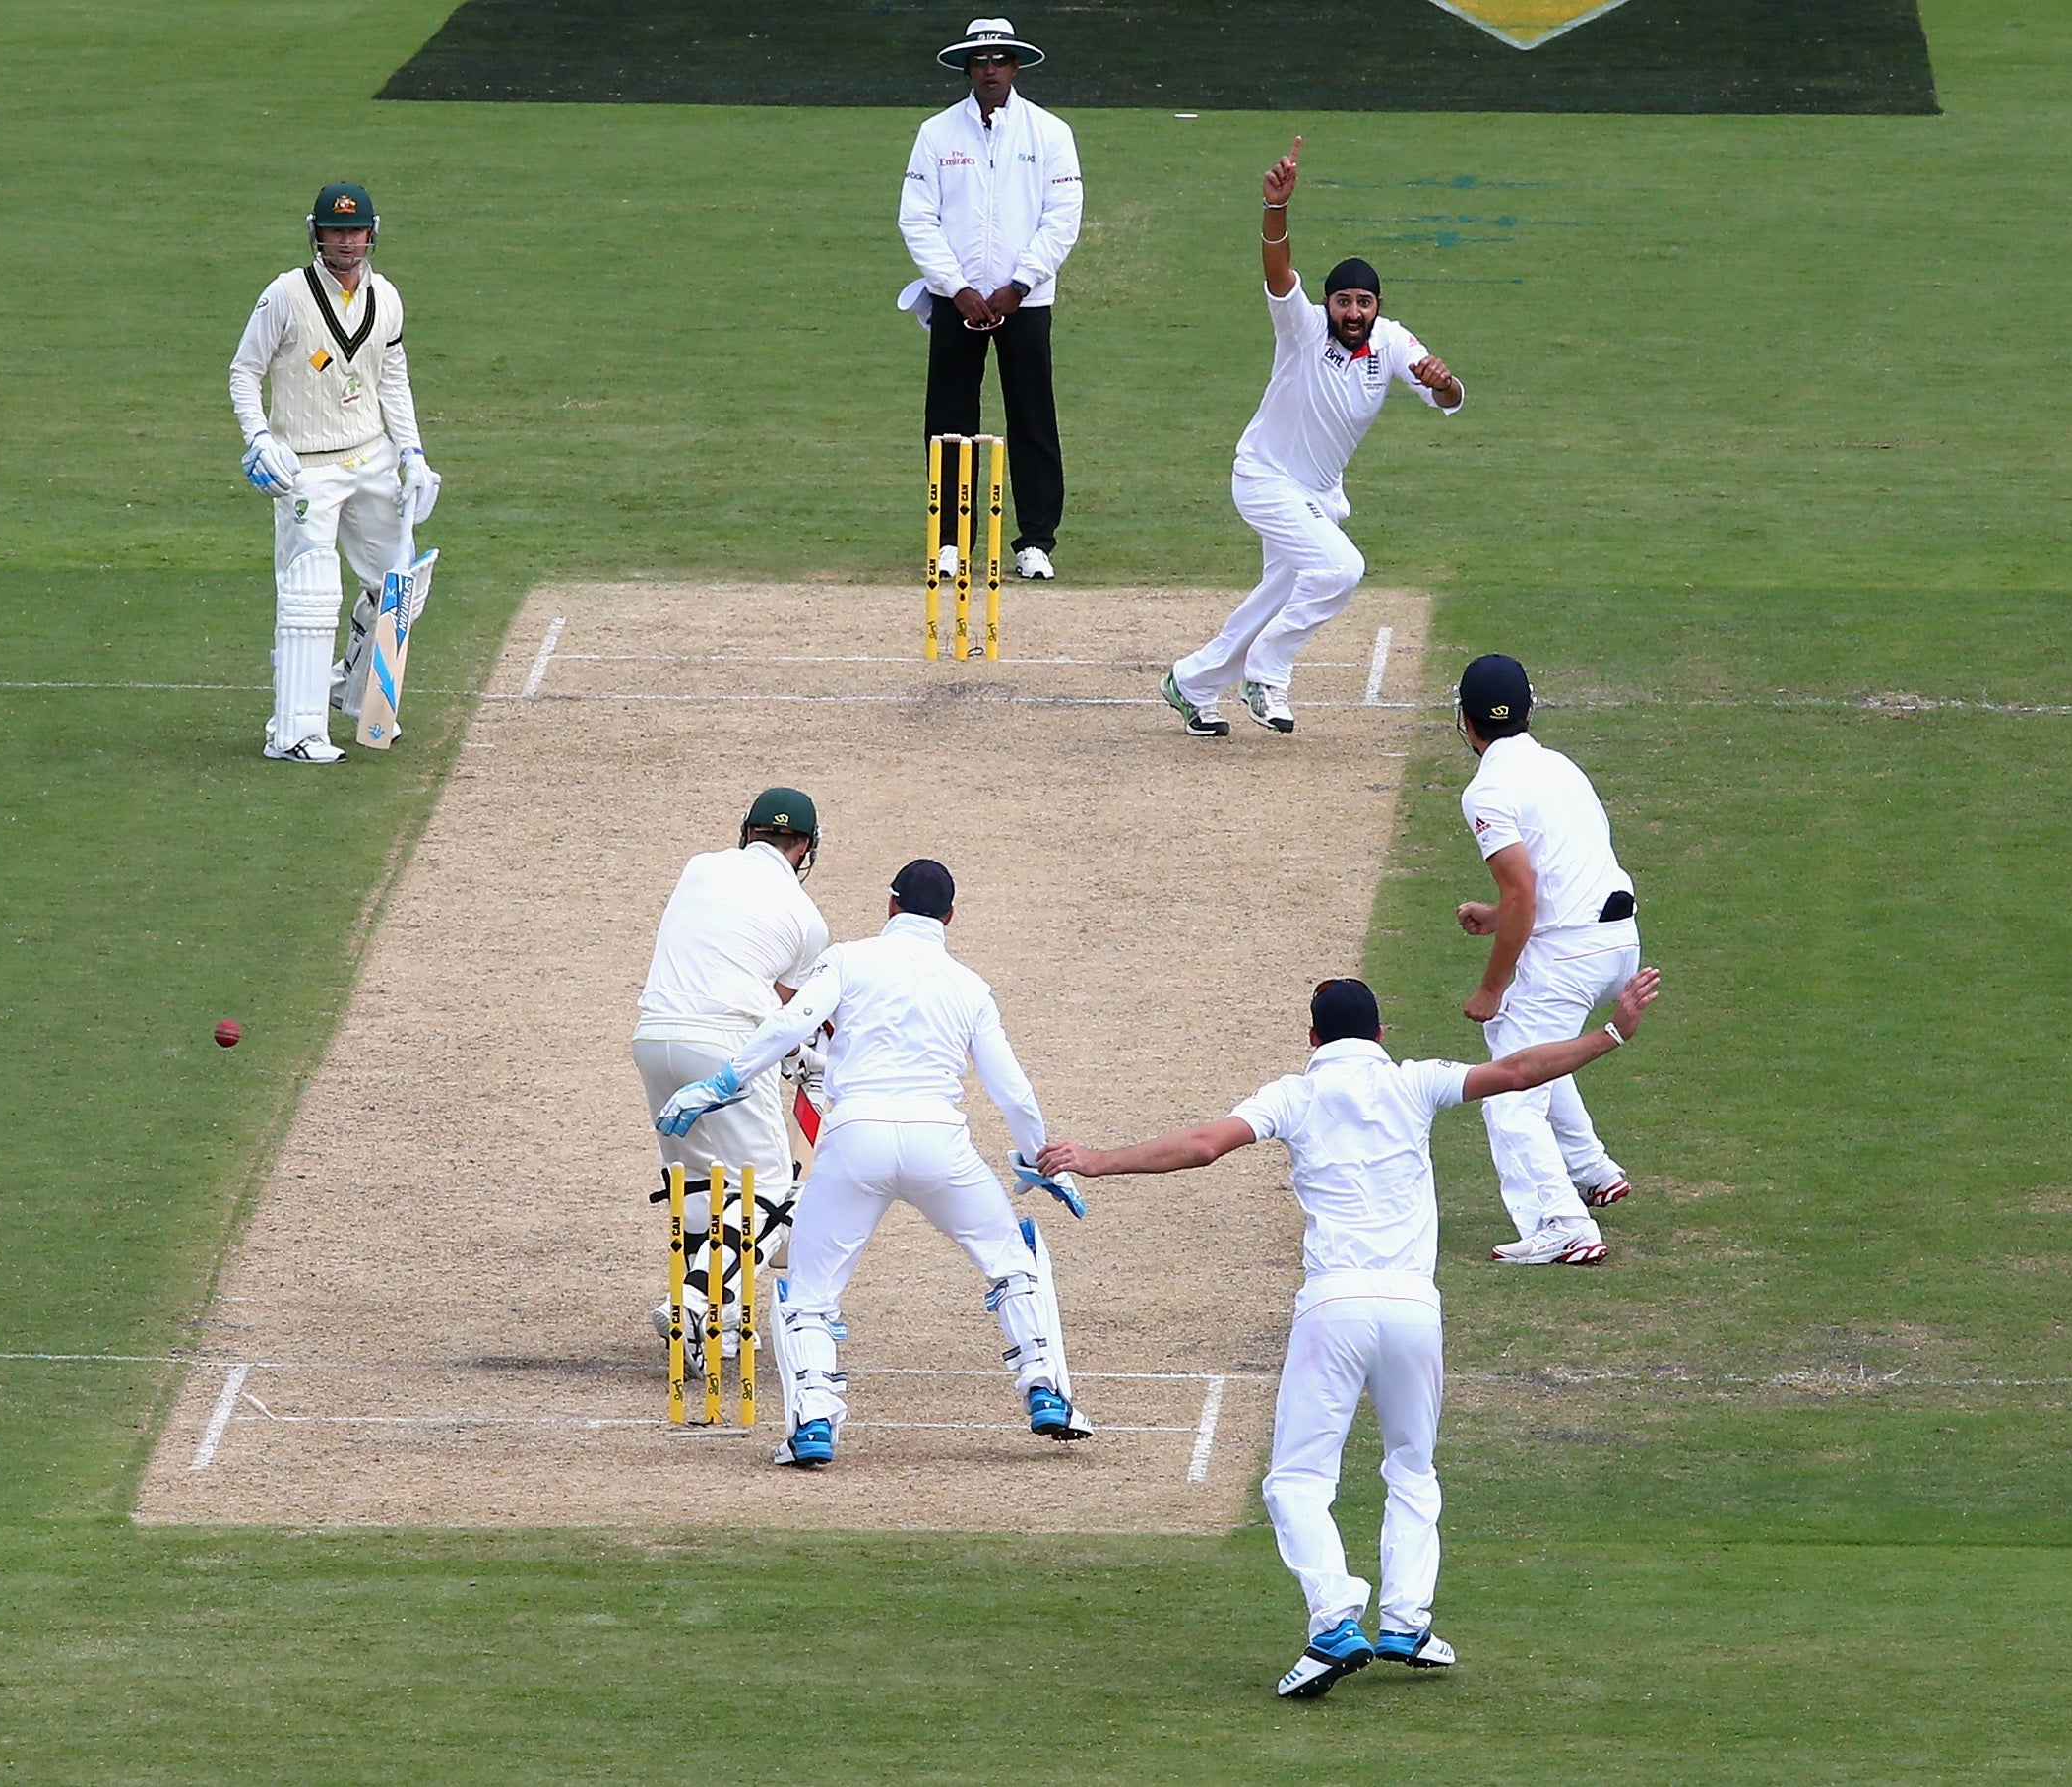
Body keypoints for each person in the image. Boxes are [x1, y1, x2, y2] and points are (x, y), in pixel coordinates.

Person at [1038, 968, 1661, 1698]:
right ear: (1380, 1033)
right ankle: (1405, 1619)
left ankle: (1336, 1618)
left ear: (1311, 1037)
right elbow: (1521, 1069)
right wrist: (1613, 1030)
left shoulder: (1293, 1095)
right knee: (1412, 1467)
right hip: (1412, 1309)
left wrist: (1096, 1160)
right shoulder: (1414, 1081)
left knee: (1299, 1477)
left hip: (1334, 1306)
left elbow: (1206, 1145)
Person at [657, 859, 1090, 1466]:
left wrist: (720, 1082)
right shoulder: (968, 986)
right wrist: (1041, 1160)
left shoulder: (848, 959)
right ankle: (1045, 1389)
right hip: (940, 1143)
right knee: (1011, 1261)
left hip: (855, 1138)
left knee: (810, 1292)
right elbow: (1012, 1090)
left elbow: (792, 1023)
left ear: (890, 905)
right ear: (950, 917)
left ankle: (813, 1425)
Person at [1162, 139, 1463, 738]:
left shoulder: (1393, 342)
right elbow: (1278, 272)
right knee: (1342, 570)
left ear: (1378, 307)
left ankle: (1192, 682)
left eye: (1364, 302)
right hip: (1265, 478)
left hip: (1317, 495)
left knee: (1281, 593)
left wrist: (1445, 381)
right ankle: (1266, 673)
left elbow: (1447, 396)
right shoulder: (1301, 328)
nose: (1353, 311)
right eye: (1343, 300)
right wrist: (1276, 211)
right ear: (1327, 302)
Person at [228, 180, 443, 764]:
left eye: (354, 231)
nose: (345, 241)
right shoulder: (284, 295)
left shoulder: (388, 298)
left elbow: (391, 379)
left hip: (371, 456)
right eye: (334, 231)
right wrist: (259, 439)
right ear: (315, 233)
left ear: (372, 233)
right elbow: (244, 373)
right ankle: (295, 732)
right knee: (310, 592)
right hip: (307, 468)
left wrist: (413, 454)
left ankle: (356, 691)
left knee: (402, 584)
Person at [1453, 653, 1644, 1262]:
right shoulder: (1560, 765)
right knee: (1524, 1047)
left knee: (1509, 1089)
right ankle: (1592, 1169)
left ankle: (1563, 1223)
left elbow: (1523, 892)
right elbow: (1560, 868)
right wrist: (1498, 915)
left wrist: (1490, 986)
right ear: (1530, 707)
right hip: (1618, 940)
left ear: (1465, 721)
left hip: (1568, 954)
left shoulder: (1486, 790)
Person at [633, 788, 832, 1372]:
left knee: (699, 1183)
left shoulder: (700, 867)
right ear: (804, 847)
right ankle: (695, 1300)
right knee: (772, 1188)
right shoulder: (806, 918)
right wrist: (807, 1063)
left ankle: (710, 1336)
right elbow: (788, 1012)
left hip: (653, 1037)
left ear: (748, 832)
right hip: (723, 1048)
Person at [898, 17, 1083, 582]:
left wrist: (1019, 285)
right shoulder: (936, 134)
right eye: (979, 62)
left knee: (1032, 417)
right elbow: (917, 218)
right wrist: (956, 287)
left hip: (1023, 302)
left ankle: (1035, 542)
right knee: (950, 419)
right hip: (957, 304)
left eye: (999, 60)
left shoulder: (1050, 133)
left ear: (1015, 66)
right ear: (966, 70)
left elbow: (1062, 219)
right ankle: (952, 541)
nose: (989, 69)